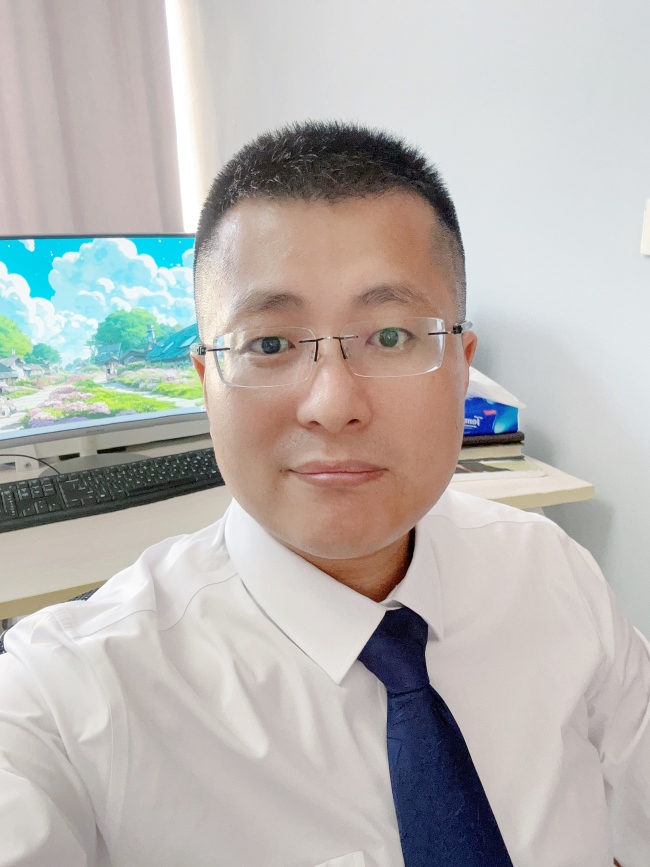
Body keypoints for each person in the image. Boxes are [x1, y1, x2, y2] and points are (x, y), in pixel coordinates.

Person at [0, 122, 647, 866]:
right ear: (207, 381)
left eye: (392, 336)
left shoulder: (553, 576)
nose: (332, 404)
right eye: (270, 344)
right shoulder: (68, 699)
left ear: (462, 367)